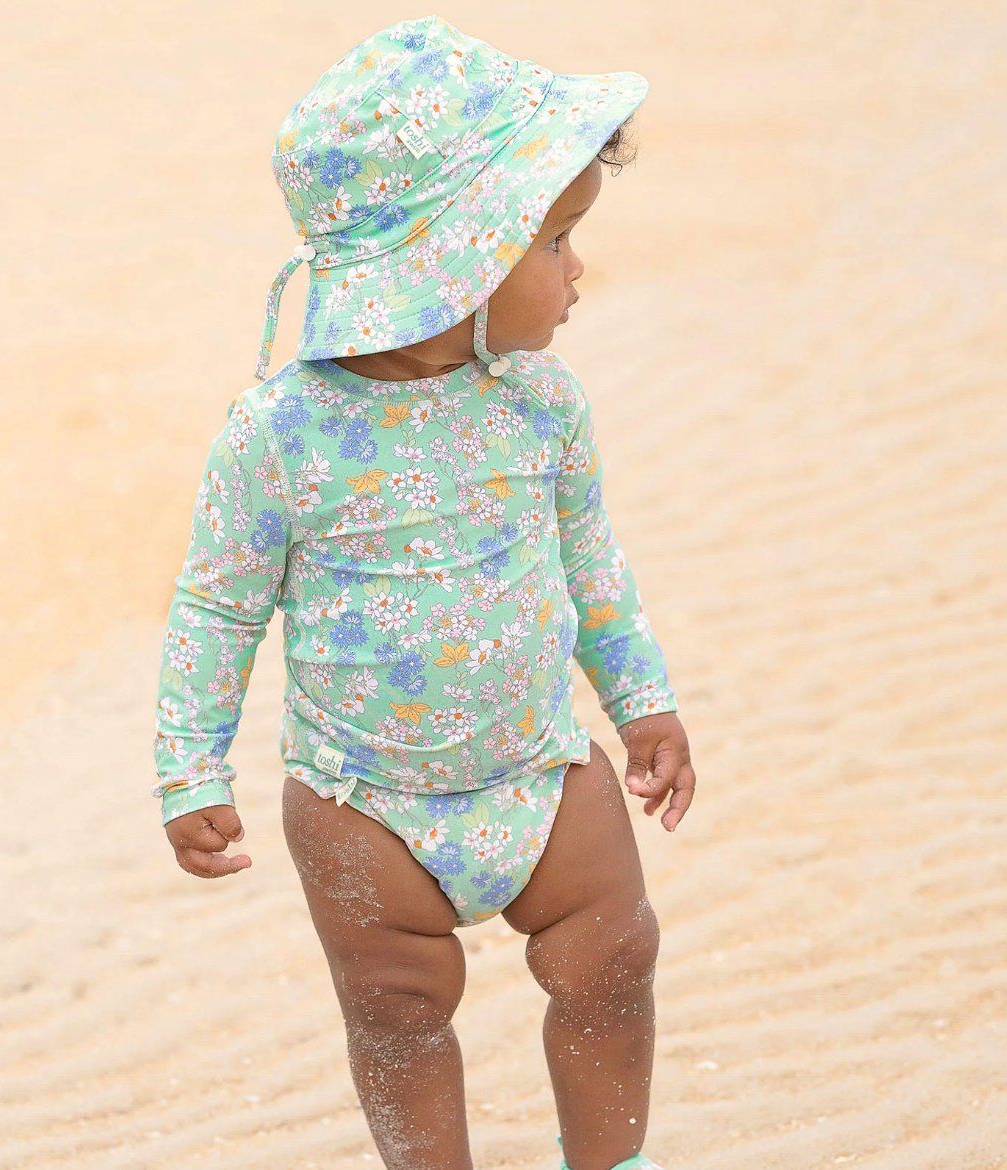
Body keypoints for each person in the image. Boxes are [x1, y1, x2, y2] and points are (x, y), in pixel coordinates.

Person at [151, 16, 696, 1170]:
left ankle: (615, 1161)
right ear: (457, 254)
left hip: (541, 768)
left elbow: (592, 566)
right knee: (399, 1013)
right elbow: (215, 607)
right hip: (364, 807)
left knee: (615, 955)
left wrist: (642, 700)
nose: (577, 269)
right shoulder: (279, 434)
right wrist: (190, 765)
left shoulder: (541, 406)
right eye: (555, 239)